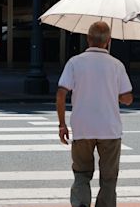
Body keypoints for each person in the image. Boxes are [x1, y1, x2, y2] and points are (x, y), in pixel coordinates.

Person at [56, 21, 133, 207]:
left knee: (81, 173)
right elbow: (127, 98)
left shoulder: (75, 62)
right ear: (108, 41)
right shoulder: (117, 65)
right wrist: (113, 92)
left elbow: (61, 93)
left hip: (83, 128)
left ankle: (81, 204)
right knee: (109, 178)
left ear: (88, 39)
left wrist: (62, 124)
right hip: (110, 130)